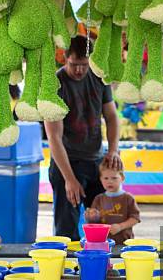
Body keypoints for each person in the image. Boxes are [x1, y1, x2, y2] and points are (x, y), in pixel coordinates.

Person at [44, 35, 122, 241]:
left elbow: (112, 117)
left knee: (105, 224)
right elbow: (54, 137)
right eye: (74, 65)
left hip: (96, 161)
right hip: (66, 164)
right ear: (64, 58)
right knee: (67, 231)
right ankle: (67, 270)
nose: (79, 70)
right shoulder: (54, 84)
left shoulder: (99, 78)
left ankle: (104, 267)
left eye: (84, 65)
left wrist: (113, 150)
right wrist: (70, 179)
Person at [85, 163, 140, 244]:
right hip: (103, 242)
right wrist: (90, 216)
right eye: (106, 178)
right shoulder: (98, 198)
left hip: (124, 242)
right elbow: (94, 222)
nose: (109, 181)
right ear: (101, 179)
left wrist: (120, 226)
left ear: (122, 178)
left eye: (114, 178)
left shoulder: (128, 198)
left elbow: (135, 218)